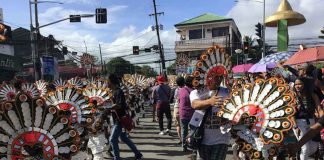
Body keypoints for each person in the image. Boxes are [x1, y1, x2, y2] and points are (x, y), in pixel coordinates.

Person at [190, 75, 230, 160]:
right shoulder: (197, 92)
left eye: (220, 77)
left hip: (222, 139)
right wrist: (210, 101)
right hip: (201, 138)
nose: (218, 79)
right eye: (215, 76)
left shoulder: (227, 92)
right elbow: (195, 104)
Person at [106, 74, 143, 160]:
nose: (106, 83)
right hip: (117, 118)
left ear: (111, 81)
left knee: (112, 139)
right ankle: (138, 154)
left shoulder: (119, 91)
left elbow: (119, 105)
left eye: (107, 81)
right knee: (124, 138)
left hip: (120, 119)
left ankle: (117, 158)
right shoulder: (113, 91)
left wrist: (109, 107)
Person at [292, 77, 323, 160]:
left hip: (312, 122)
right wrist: (295, 126)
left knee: (314, 147)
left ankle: (301, 156)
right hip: (298, 123)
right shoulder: (292, 97)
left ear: (304, 85)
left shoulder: (313, 95)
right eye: (296, 84)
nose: (297, 86)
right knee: (305, 148)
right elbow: (290, 114)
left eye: (300, 84)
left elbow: (319, 109)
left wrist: (322, 120)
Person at [178, 76, 195, 152]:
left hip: (183, 113)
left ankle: (184, 145)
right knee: (193, 130)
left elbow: (179, 101)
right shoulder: (194, 91)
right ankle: (192, 145)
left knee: (184, 130)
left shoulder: (181, 90)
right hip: (192, 113)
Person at [174, 76, 185, 145]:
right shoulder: (187, 89)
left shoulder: (177, 90)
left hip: (177, 107)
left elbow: (175, 97)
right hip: (185, 107)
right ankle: (186, 139)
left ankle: (181, 139)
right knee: (186, 125)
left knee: (178, 125)